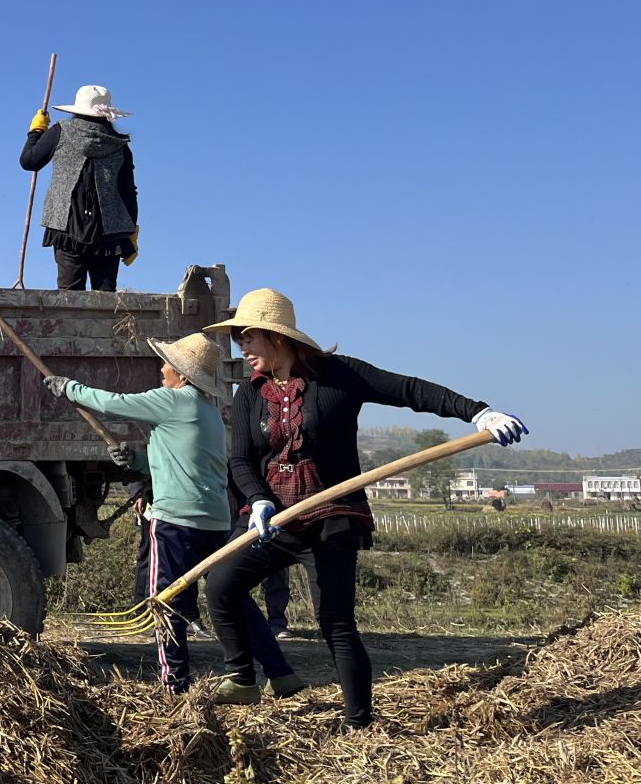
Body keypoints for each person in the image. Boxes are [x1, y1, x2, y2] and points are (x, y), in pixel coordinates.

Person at [202, 288, 527, 729]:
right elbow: (240, 458)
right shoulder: (250, 395)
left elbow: (410, 390)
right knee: (221, 584)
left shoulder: (338, 376)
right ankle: (243, 677)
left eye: (247, 336)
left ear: (276, 337)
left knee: (334, 621)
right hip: (276, 523)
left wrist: (479, 412)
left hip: (331, 518)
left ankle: (359, 724)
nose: (241, 345)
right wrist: (258, 498)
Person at [45, 332, 298, 697]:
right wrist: (135, 461)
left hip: (175, 521)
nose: (161, 369)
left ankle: (175, 685)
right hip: (214, 521)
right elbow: (184, 464)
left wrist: (69, 388)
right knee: (232, 596)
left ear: (181, 373)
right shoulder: (207, 412)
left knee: (167, 603)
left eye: (166, 364)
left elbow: (112, 403)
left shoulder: (171, 400)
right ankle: (280, 670)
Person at [19, 83, 138, 291]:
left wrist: (36, 132)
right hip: (110, 233)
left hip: (67, 225)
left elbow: (29, 162)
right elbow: (128, 192)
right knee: (106, 299)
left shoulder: (60, 132)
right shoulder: (119, 144)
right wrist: (131, 231)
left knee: (69, 296)